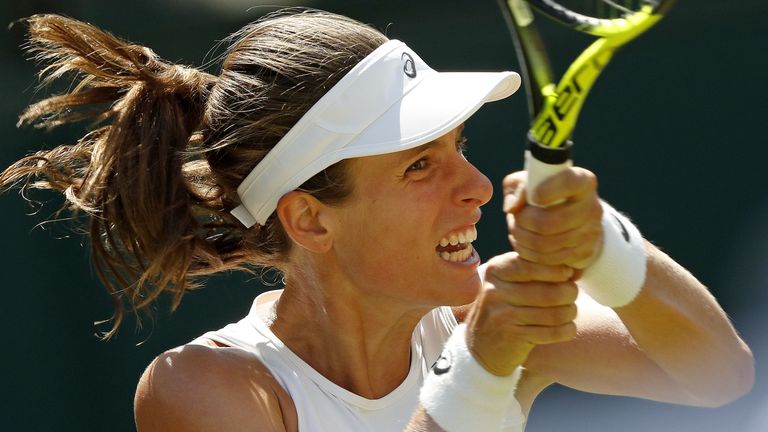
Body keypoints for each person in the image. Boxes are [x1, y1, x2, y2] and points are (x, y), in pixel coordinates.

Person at [1, 8, 753, 432]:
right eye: (419, 166)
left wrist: (607, 249)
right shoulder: (205, 392)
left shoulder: (479, 321)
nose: (480, 188)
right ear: (310, 220)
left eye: (458, 150)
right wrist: (482, 371)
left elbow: (719, 377)